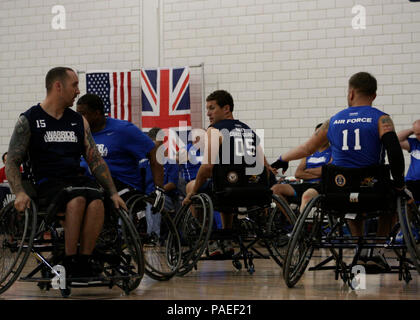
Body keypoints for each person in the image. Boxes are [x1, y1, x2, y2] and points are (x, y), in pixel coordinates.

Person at [272, 72, 406, 272]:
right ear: (374, 96)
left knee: (351, 205)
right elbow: (394, 151)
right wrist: (399, 183)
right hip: (373, 191)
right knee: (392, 199)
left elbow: (307, 149)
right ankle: (376, 253)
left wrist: (282, 159)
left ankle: (359, 248)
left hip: (338, 192)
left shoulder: (333, 121)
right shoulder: (381, 118)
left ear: (351, 93)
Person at [6, 66, 126, 280]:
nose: (78, 91)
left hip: (76, 179)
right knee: (77, 198)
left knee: (97, 200)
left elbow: (95, 160)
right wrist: (19, 192)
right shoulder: (29, 119)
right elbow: (12, 161)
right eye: (75, 85)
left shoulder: (79, 121)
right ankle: (69, 260)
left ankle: (84, 260)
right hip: (46, 183)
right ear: (58, 86)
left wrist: (113, 192)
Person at [182, 90, 271, 257]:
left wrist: (192, 193)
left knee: (191, 186)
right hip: (256, 193)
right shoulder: (248, 130)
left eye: (212, 108)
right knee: (226, 186)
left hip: (227, 191)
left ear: (226, 108)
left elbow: (207, 167)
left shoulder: (215, 129)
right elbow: (266, 167)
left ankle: (208, 238)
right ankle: (227, 237)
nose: (208, 113)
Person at [76, 93, 164, 208]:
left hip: (123, 186)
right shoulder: (80, 132)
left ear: (97, 113)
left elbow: (154, 151)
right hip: (91, 185)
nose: (79, 118)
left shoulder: (123, 130)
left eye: (82, 114)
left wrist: (159, 189)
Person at [271, 123, 332, 213]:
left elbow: (327, 171)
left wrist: (308, 171)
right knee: (275, 189)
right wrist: (318, 173)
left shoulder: (333, 151)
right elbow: (298, 174)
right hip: (305, 185)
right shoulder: (310, 152)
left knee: (307, 195)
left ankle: (301, 222)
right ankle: (293, 221)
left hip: (321, 185)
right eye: (317, 134)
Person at [397, 120, 420, 203]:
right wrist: (412, 129)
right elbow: (397, 139)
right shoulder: (415, 143)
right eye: (417, 134)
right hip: (412, 182)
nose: (419, 136)